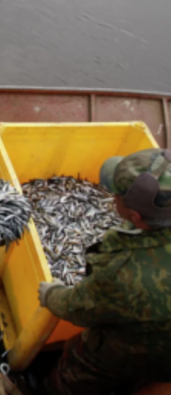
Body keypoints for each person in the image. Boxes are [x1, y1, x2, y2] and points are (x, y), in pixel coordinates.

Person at [38, 148, 171, 394]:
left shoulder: (123, 271)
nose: (112, 197)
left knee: (80, 369)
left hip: (139, 353)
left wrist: (52, 294)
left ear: (135, 215)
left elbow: (78, 308)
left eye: (116, 194)